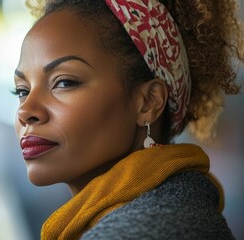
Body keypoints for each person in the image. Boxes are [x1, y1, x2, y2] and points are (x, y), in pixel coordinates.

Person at [12, 0, 244, 239]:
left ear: (148, 102)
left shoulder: (152, 228)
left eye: (64, 82)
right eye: (22, 90)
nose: (25, 110)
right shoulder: (180, 206)